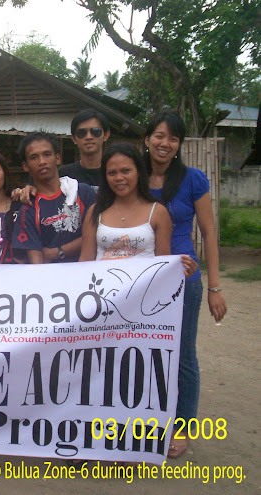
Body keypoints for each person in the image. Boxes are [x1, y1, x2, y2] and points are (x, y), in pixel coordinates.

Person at [144, 110, 227, 458]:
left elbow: (208, 232)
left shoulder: (192, 179)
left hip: (183, 279)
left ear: (179, 145)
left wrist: (215, 286)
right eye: (159, 135)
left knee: (183, 356)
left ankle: (183, 427)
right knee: (144, 355)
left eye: (172, 138)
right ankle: (143, 420)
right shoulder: (132, 176)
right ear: (147, 139)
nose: (165, 143)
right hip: (139, 282)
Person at [12, 131, 95, 263]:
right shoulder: (28, 209)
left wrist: (57, 252)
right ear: (25, 166)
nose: (42, 161)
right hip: (51, 280)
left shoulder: (83, 192)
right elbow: (37, 263)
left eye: (47, 154)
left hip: (89, 276)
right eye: (34, 157)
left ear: (57, 158)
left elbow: (97, 235)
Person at [79, 142, 172, 261]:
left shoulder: (158, 212)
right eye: (112, 173)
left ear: (138, 172)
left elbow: (164, 264)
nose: (119, 178)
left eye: (126, 171)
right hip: (103, 280)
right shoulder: (95, 211)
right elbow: (85, 260)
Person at [59, 109, 111, 190]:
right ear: (73, 139)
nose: (89, 137)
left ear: (106, 135)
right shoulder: (64, 175)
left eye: (95, 131)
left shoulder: (114, 172)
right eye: (82, 133)